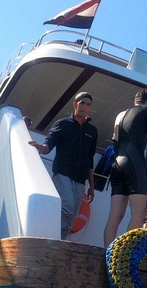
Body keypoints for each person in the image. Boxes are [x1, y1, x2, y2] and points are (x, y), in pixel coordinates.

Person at [28, 91, 97, 240]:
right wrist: (42, 147)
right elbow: (49, 144)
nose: (85, 107)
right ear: (75, 104)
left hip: (80, 180)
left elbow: (90, 159)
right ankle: (50, 236)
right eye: (82, 103)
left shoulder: (92, 131)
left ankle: (59, 241)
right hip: (63, 173)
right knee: (67, 207)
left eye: (88, 104)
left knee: (72, 214)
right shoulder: (63, 124)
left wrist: (91, 185)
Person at [103, 88, 147, 246]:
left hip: (117, 164)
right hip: (134, 164)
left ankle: (106, 253)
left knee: (115, 215)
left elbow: (127, 142)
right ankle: (125, 253)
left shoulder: (121, 115)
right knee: (138, 215)